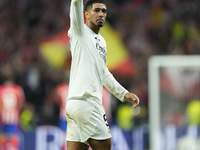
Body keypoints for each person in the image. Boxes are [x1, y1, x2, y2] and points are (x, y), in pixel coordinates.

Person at [66, 0, 140, 150]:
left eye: (104, 11)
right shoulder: (79, 31)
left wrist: (124, 93)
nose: (101, 14)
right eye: (96, 10)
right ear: (86, 14)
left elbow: (104, 73)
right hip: (87, 101)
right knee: (105, 146)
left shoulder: (102, 41)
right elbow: (75, 5)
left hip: (75, 106)